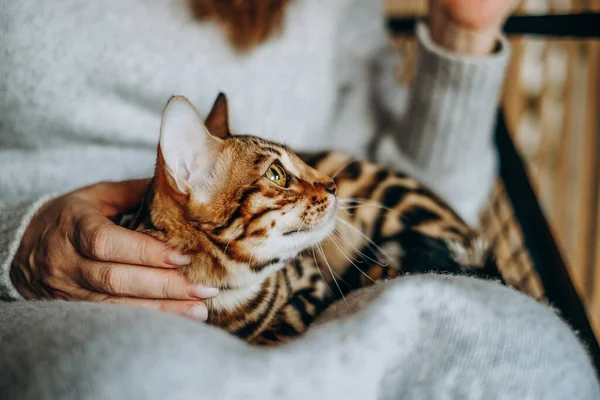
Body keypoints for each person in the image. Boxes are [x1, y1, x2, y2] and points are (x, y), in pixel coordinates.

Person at [1, 1, 597, 399]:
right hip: (48, 295)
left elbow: (413, 205)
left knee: (525, 354)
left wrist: (465, 31)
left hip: (295, 261)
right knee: (153, 381)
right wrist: (17, 242)